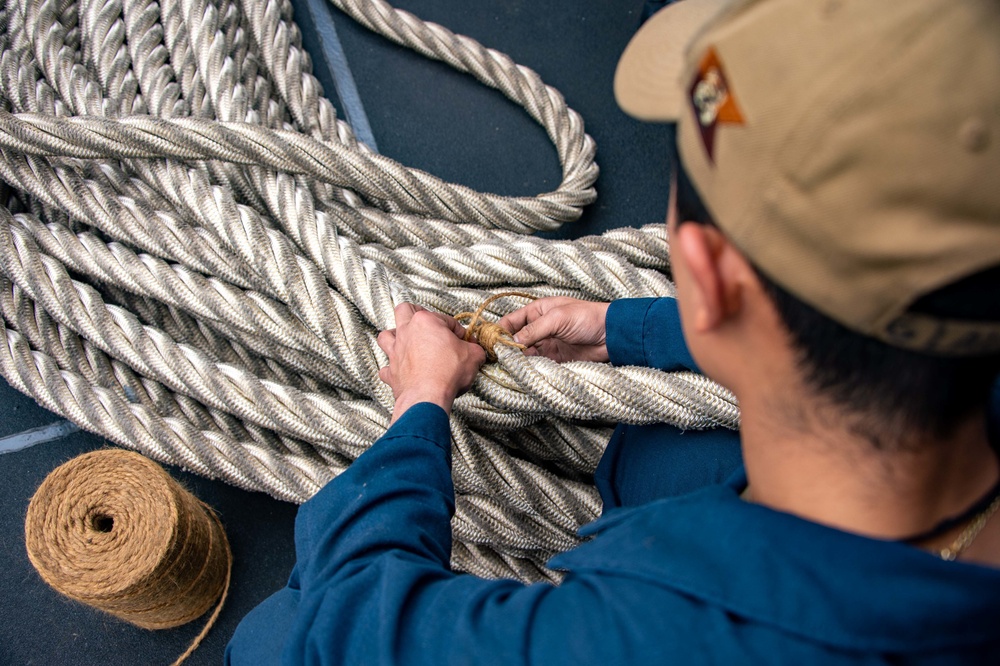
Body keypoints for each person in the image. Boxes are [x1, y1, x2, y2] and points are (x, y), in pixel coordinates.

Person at [227, 0, 1000, 662]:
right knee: (652, 457)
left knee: (272, 636)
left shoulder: (645, 643)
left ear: (704, 268)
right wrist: (623, 329)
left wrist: (419, 403)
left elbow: (338, 634)